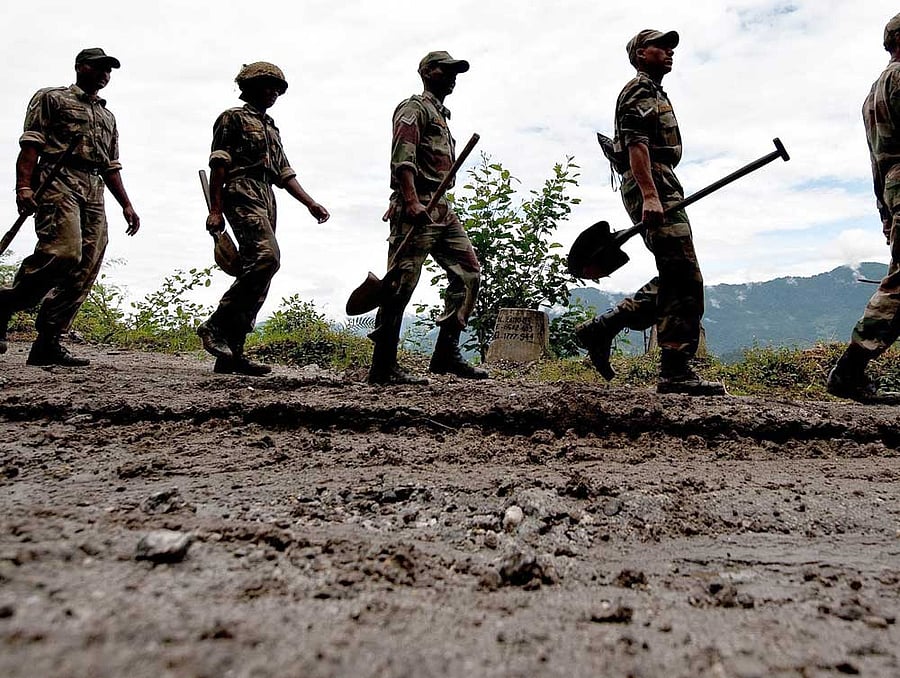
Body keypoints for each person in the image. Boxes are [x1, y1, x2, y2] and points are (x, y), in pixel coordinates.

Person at [575, 30, 725, 396]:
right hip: (652, 181)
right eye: (661, 46)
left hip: (661, 180)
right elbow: (636, 146)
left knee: (678, 275)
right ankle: (674, 370)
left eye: (672, 47)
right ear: (641, 54)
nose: (669, 52)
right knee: (683, 274)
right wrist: (650, 196)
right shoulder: (638, 90)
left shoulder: (655, 92)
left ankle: (605, 328)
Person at [0, 48, 140, 365]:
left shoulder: (107, 116)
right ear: (80, 68)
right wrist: (24, 186)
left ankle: (48, 340)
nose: (106, 73)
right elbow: (31, 143)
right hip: (57, 177)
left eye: (110, 69)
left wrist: (127, 205)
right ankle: (6, 303)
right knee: (64, 252)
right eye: (100, 67)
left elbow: (110, 165)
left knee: (86, 265)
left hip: (94, 187)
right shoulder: (52, 98)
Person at [198, 62, 330, 375]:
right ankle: (215, 325)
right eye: (268, 86)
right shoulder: (232, 118)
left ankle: (232, 355)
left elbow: (284, 173)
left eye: (277, 88)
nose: (273, 93)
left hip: (267, 195)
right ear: (250, 87)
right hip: (241, 189)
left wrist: (310, 203)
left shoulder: (271, 127)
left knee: (256, 271)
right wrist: (215, 210)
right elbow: (219, 164)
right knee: (267, 258)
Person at [368, 51, 487, 385]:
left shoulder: (441, 114)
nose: (452, 77)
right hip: (416, 205)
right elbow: (402, 158)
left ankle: (445, 354)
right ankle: (383, 365)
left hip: (441, 207)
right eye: (446, 70)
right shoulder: (414, 108)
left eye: (455, 72)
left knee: (469, 273)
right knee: (400, 284)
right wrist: (409, 200)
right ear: (426, 72)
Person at [827, 13, 900, 401]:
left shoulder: (873, 92)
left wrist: (885, 212)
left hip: (893, 185)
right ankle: (850, 370)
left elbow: (877, 160)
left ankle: (851, 370)